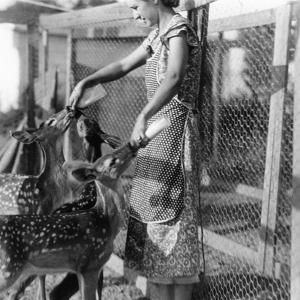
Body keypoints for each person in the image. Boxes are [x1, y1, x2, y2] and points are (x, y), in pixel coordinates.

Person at [70, 0, 202, 299]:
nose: (134, 14)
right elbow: (123, 65)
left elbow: (175, 77)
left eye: (135, 5)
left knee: (175, 233)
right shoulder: (158, 35)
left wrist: (143, 114)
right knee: (153, 231)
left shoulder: (177, 30)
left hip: (175, 138)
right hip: (156, 139)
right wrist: (88, 80)